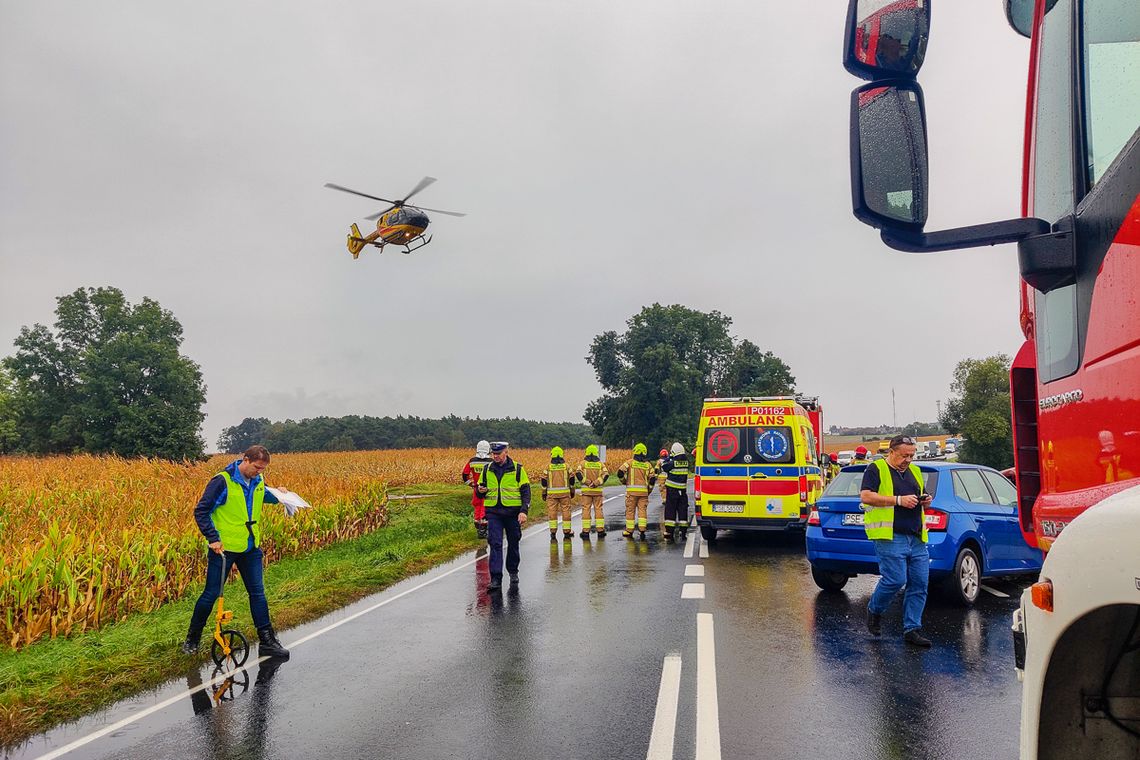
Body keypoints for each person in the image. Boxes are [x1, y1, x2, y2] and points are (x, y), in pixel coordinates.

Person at [182, 445, 290, 659]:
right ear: (246, 460)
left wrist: (280, 494)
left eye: (263, 469)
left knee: (258, 593)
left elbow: (263, 496)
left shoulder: (258, 481)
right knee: (210, 594)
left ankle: (268, 641)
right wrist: (212, 538)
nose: (259, 472)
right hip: (224, 549)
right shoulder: (222, 481)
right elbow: (201, 510)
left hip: (250, 547)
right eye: (257, 467)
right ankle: (192, 639)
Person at [860, 435, 933, 648]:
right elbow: (866, 496)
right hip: (890, 536)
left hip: (917, 537)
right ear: (891, 452)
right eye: (904, 455)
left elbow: (921, 499)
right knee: (895, 579)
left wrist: (926, 501)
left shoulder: (916, 471)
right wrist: (898, 501)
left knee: (919, 583)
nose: (908, 459)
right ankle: (874, 610)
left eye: (912, 455)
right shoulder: (876, 469)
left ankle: (912, 629)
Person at [477, 442, 530, 592]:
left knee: (513, 542)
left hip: (512, 513)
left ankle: (513, 571)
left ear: (506, 452)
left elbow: (526, 492)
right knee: (495, 544)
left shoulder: (518, 469)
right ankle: (495, 578)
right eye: (493, 454)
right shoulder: (487, 469)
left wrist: (523, 511)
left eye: (498, 454)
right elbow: (479, 491)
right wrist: (480, 490)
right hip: (494, 513)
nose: (495, 457)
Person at [617, 443, 655, 539]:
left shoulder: (629, 462)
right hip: (643, 493)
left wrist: (624, 481)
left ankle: (629, 531)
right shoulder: (648, 465)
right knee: (642, 511)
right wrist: (649, 490)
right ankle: (642, 530)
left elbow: (620, 472)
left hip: (631, 493)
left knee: (630, 511)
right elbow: (652, 480)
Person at [575, 444, 609, 539]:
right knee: (598, 509)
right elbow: (606, 475)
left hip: (586, 492)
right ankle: (600, 531)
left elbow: (578, 473)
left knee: (586, 509)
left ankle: (585, 532)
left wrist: (587, 482)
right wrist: (596, 483)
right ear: (596, 453)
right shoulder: (600, 464)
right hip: (597, 491)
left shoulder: (583, 464)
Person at [541, 446, 574, 542]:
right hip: (565, 494)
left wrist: (544, 493)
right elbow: (572, 479)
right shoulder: (566, 466)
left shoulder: (548, 467)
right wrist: (572, 491)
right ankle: (567, 531)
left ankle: (553, 532)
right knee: (566, 511)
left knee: (552, 512)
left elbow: (543, 480)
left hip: (552, 495)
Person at [659, 442, 691, 542]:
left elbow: (664, 466)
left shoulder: (672, 463)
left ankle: (670, 532)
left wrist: (668, 457)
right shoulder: (686, 463)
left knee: (670, 511)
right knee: (682, 511)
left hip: (672, 492)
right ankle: (683, 531)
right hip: (682, 492)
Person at [462, 440, 493, 538]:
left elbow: (465, 474)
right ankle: (483, 530)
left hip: (476, 487)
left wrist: (470, 484)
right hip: (487, 488)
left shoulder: (472, 461)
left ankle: (478, 527)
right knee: (485, 507)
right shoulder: (491, 462)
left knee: (477, 506)